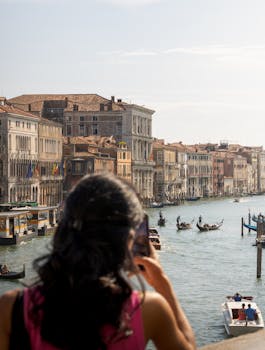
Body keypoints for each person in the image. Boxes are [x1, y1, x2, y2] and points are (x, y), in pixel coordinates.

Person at [0, 173, 196, 350]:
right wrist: (161, 282)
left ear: (64, 232)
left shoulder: (11, 308)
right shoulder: (149, 310)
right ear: (127, 241)